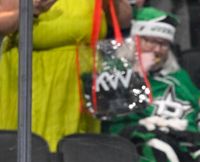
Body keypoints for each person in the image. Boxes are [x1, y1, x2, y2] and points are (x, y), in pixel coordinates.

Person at [105, 7, 200, 162]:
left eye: (163, 44)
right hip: (139, 144)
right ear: (135, 39)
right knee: (156, 155)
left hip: (187, 142)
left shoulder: (180, 77)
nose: (157, 49)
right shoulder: (116, 74)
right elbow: (114, 119)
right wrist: (135, 74)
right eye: (150, 41)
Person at [0, 0, 132, 150]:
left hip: (82, 81)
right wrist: (32, 9)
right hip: (37, 79)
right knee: (37, 151)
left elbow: (124, 20)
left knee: (77, 153)